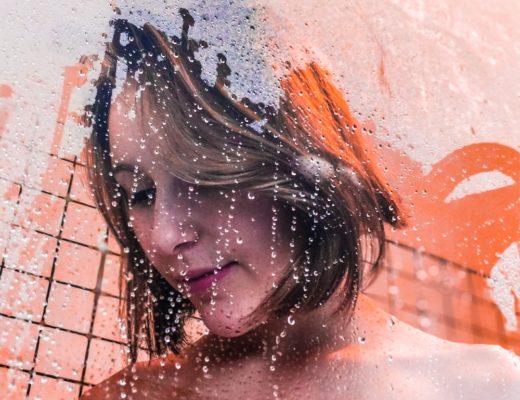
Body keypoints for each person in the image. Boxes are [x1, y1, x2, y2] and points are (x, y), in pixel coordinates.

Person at [81, 11, 520, 400]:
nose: (165, 234)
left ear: (298, 158)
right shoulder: (130, 397)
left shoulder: (484, 386)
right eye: (140, 193)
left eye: (203, 174)